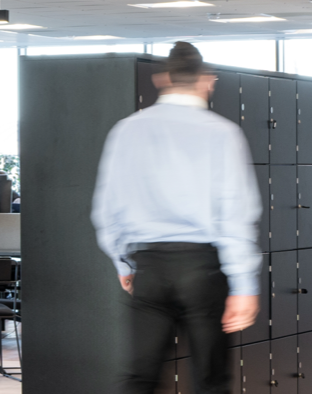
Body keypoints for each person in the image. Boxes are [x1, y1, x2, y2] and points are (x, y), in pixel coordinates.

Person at [92, 41, 261, 394]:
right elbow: (234, 213)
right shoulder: (222, 132)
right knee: (211, 380)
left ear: (163, 80)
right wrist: (244, 285)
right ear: (207, 81)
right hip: (202, 269)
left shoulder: (127, 130)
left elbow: (107, 209)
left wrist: (123, 263)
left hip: (150, 266)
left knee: (140, 377)